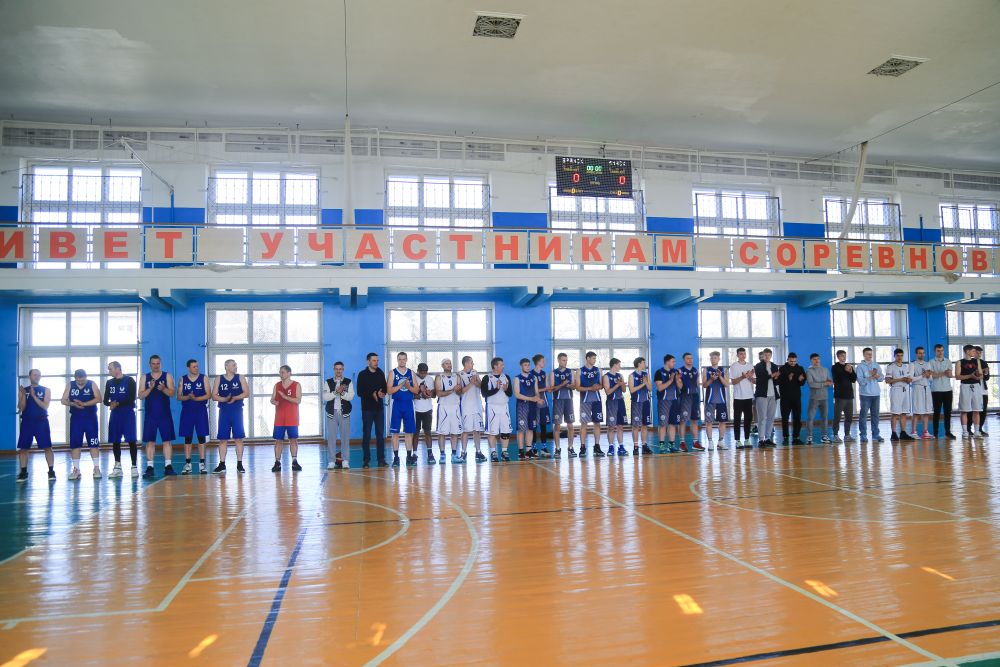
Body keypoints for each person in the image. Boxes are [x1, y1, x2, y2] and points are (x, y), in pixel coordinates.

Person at [139, 354, 176, 478]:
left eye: (158, 363)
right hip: (151, 415)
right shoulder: (144, 377)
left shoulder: (167, 376)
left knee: (167, 440)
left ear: (161, 364)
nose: (156, 366)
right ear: (149, 364)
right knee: (150, 441)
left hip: (164, 414)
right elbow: (141, 396)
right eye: (153, 363)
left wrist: (163, 388)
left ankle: (168, 466)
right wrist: (150, 388)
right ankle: (150, 467)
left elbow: (172, 393)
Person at [62, 369, 102, 480]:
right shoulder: (70, 385)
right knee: (75, 444)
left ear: (86, 377)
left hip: (90, 418)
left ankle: (96, 468)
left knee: (93, 443)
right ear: (75, 378)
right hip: (76, 418)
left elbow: (99, 399)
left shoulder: (92, 384)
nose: (80, 382)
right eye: (78, 380)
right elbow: (63, 400)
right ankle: (76, 470)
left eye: (82, 380)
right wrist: (72, 403)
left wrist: (84, 404)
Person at [16, 369, 53, 483]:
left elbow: (45, 406)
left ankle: (51, 471)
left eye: (39, 375)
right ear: (30, 376)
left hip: (41, 422)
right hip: (27, 422)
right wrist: (23, 396)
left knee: (47, 447)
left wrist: (33, 396)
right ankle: (23, 472)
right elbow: (21, 407)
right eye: (35, 375)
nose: (37, 377)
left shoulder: (46, 390)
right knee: (23, 448)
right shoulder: (23, 390)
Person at [212, 359, 248, 474]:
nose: (236, 366)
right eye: (233, 365)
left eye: (236, 365)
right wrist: (224, 399)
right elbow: (214, 396)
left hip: (237, 411)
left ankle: (239, 464)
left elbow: (246, 393)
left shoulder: (240, 377)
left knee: (238, 438)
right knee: (223, 439)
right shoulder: (219, 378)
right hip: (224, 412)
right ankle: (222, 464)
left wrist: (235, 398)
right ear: (226, 367)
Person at [104, 360, 140, 477]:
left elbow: (131, 398)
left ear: (117, 369)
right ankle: (117, 467)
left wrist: (117, 403)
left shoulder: (129, 380)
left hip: (128, 414)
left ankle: (134, 466)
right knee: (115, 441)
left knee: (131, 440)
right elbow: (105, 400)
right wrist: (111, 404)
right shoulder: (109, 383)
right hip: (115, 415)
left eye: (110, 369)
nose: (109, 371)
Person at [177, 359, 210, 474]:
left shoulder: (204, 378)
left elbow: (208, 395)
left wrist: (196, 398)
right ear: (188, 368)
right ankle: (188, 464)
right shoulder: (183, 379)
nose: (196, 368)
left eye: (197, 366)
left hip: (200, 410)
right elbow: (178, 396)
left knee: (201, 437)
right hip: (187, 411)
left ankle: (202, 464)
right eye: (194, 366)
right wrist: (188, 397)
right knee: (188, 438)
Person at [357, 352, 388, 468]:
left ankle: (381, 460)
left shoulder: (380, 372)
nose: (376, 362)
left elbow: (385, 388)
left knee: (380, 435)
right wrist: (372, 393)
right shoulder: (362, 374)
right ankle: (366, 460)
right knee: (367, 435)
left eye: (377, 360)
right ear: (368, 361)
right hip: (367, 410)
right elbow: (360, 392)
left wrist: (382, 393)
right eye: (374, 360)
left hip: (379, 409)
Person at [388, 352, 419, 466]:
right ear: (397, 360)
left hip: (408, 404)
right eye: (400, 359)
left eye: (403, 359)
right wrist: (401, 385)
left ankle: (409, 456)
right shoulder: (392, 373)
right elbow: (389, 391)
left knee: (409, 432)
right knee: (395, 433)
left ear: (406, 360)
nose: (402, 361)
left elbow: (416, 390)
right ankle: (396, 457)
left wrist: (408, 386)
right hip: (396, 404)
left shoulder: (411, 373)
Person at [271, 364, 302, 472]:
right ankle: (277, 462)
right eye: (280, 372)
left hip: (292, 418)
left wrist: (285, 397)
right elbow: (272, 398)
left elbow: (298, 400)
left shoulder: (296, 385)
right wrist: (273, 401)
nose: (281, 374)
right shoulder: (277, 385)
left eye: (283, 372)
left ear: (289, 373)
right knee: (278, 440)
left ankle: (294, 461)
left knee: (293, 439)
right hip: (279, 418)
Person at [322, 361, 353, 470]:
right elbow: (325, 397)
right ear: (334, 369)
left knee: (345, 438)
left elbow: (351, 396)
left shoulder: (348, 382)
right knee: (331, 438)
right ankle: (331, 461)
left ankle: (345, 461)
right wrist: (335, 392)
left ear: (343, 369)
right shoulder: (328, 382)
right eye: (336, 369)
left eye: (340, 369)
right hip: (332, 413)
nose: (338, 371)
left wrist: (342, 393)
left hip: (345, 413)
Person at [482, 357, 513, 461]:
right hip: (492, 407)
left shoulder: (506, 377)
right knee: (492, 431)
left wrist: (505, 389)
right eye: (501, 364)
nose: (503, 366)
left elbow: (510, 393)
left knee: (506, 431)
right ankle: (493, 452)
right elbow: (484, 394)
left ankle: (504, 452)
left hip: (504, 406)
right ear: (495, 366)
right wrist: (496, 389)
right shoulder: (487, 378)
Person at [435, 359, 465, 464]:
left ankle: (454, 455)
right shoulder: (439, 377)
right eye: (446, 363)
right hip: (443, 407)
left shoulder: (457, 376)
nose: (449, 365)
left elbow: (460, 392)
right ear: (442, 365)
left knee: (455, 432)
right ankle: (442, 455)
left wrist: (458, 390)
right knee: (442, 433)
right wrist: (453, 390)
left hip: (455, 406)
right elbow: (439, 393)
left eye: (450, 363)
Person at [576, 351, 605, 457]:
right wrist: (590, 388)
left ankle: (597, 446)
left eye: (595, 358)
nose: (594, 360)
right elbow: (577, 387)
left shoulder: (598, 370)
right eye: (593, 358)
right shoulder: (580, 371)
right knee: (584, 424)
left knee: (597, 423)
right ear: (587, 358)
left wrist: (598, 387)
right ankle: (582, 447)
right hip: (585, 400)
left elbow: (601, 385)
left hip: (597, 400)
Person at [458, 356, 486, 463]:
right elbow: (460, 391)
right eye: (471, 362)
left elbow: (481, 386)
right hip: (466, 407)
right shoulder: (459, 374)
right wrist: (471, 383)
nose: (473, 364)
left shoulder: (475, 372)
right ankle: (463, 452)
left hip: (477, 406)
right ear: (466, 363)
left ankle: (478, 452)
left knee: (477, 431)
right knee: (465, 431)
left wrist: (476, 382)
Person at [514, 358, 542, 459]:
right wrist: (531, 398)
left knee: (531, 428)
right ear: (521, 366)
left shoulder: (533, 377)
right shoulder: (517, 378)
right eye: (525, 365)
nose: (527, 367)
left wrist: (538, 398)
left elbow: (537, 392)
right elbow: (517, 394)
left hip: (533, 406)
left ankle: (529, 451)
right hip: (522, 406)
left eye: (528, 365)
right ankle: (521, 452)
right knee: (521, 429)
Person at [701, 351, 729, 450]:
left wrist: (720, 376)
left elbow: (726, 384)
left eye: (715, 358)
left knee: (722, 421)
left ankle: (720, 442)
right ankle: (710, 442)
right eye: (712, 358)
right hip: (710, 400)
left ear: (719, 359)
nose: (713, 359)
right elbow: (704, 385)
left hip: (721, 400)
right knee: (709, 422)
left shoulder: (723, 370)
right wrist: (712, 379)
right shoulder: (706, 370)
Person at [856, 347, 884, 443]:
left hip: (876, 394)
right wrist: (870, 376)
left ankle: (875, 435)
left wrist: (877, 376)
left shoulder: (876, 365)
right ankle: (863, 435)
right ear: (864, 355)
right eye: (868, 354)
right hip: (865, 394)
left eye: (871, 354)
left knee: (875, 415)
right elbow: (860, 381)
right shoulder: (860, 367)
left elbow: (882, 378)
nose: (870, 355)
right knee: (863, 415)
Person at [885, 348, 915, 441]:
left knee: (904, 413)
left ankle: (903, 432)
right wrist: (900, 379)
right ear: (894, 356)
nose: (900, 357)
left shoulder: (905, 366)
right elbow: (887, 380)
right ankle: (893, 433)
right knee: (895, 413)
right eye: (898, 356)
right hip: (896, 390)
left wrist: (908, 380)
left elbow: (907, 378)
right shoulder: (891, 366)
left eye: (901, 356)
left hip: (904, 389)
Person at [550, 353, 576, 457]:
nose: (565, 362)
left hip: (568, 400)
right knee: (557, 425)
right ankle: (557, 449)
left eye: (566, 360)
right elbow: (552, 389)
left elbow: (574, 386)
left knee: (570, 425)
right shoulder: (553, 373)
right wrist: (562, 384)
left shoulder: (570, 372)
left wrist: (570, 385)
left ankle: (570, 447)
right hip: (558, 401)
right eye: (563, 360)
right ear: (558, 360)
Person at [956, 344, 985, 439]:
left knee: (977, 410)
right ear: (967, 351)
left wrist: (978, 376)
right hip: (965, 386)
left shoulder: (977, 361)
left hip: (976, 386)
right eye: (973, 351)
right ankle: (965, 432)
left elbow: (981, 375)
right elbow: (957, 376)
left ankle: (977, 431)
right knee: (964, 410)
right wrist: (970, 376)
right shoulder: (959, 362)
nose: (974, 353)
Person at [729, 348, 755, 449]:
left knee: (748, 419)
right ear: (737, 355)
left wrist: (749, 377)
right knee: (737, 419)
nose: (743, 355)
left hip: (748, 396)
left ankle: (747, 439)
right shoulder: (734, 366)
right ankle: (737, 440)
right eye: (741, 354)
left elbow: (755, 381)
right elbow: (733, 382)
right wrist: (743, 377)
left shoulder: (750, 366)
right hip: (738, 397)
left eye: (744, 354)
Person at [778, 353, 807, 445]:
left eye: (794, 361)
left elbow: (802, 383)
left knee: (797, 417)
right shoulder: (782, 369)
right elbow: (779, 382)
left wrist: (801, 380)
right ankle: (785, 437)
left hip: (796, 397)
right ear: (787, 360)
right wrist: (788, 378)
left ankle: (796, 437)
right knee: (785, 418)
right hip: (785, 397)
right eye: (791, 361)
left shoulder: (800, 368)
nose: (793, 363)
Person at [753, 349, 780, 447]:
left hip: (773, 395)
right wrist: (772, 375)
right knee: (762, 418)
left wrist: (776, 377)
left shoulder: (774, 366)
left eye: (769, 355)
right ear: (763, 355)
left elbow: (776, 382)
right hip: (762, 395)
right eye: (766, 355)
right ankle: (761, 439)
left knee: (771, 417)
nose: (767, 356)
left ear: (771, 355)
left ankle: (768, 438)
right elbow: (761, 379)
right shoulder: (758, 366)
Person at [655, 354, 681, 453]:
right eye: (673, 361)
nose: (674, 363)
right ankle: (662, 446)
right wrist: (670, 380)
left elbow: (680, 387)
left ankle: (671, 445)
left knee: (672, 424)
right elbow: (660, 388)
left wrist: (677, 379)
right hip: (664, 401)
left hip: (674, 400)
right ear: (667, 362)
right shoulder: (659, 372)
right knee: (663, 424)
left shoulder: (676, 372)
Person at [678, 352, 704, 451]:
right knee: (683, 420)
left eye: (691, 358)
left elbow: (697, 384)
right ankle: (682, 443)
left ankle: (695, 442)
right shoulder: (680, 371)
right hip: (685, 397)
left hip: (695, 396)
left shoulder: (695, 370)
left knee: (694, 420)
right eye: (688, 358)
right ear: (684, 360)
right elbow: (679, 386)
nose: (690, 360)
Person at [805, 353, 833, 445]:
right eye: (814, 359)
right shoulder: (809, 371)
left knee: (824, 417)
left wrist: (828, 383)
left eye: (818, 359)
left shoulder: (825, 370)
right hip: (814, 398)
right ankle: (809, 437)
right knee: (810, 418)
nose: (816, 361)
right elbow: (811, 384)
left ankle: (824, 436)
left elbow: (830, 382)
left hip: (824, 397)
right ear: (811, 361)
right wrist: (824, 384)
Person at [413, 363, 438, 464]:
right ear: (418, 371)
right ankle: (414, 454)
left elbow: (434, 395)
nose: (423, 374)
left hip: (427, 409)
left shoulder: (430, 379)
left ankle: (430, 454)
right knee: (415, 433)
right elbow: (410, 394)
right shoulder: (413, 379)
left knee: (427, 432)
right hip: (415, 410)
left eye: (425, 373)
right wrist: (419, 395)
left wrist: (429, 394)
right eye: (421, 372)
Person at [928, 344, 954, 439]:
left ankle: (948, 432)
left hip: (948, 390)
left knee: (948, 412)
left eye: (942, 350)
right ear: (935, 351)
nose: (940, 352)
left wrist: (939, 374)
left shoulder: (948, 361)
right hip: (936, 390)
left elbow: (950, 375)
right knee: (937, 412)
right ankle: (935, 433)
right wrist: (943, 373)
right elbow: (931, 376)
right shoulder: (931, 362)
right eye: (938, 351)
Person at [831, 350, 857, 443]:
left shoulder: (849, 366)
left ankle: (847, 435)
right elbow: (837, 379)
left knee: (849, 417)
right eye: (842, 356)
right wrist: (845, 371)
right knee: (837, 417)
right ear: (838, 357)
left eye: (845, 356)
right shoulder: (835, 367)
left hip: (849, 395)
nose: (844, 357)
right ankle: (835, 435)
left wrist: (850, 371)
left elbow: (854, 379)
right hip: (840, 396)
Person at [603, 358, 628, 456]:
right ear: (614, 365)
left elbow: (624, 390)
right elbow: (608, 392)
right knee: (611, 426)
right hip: (611, 402)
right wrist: (617, 385)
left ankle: (621, 447)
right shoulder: (606, 376)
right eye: (619, 364)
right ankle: (611, 447)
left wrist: (622, 384)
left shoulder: (620, 376)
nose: (620, 366)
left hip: (620, 401)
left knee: (620, 426)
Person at [629, 356, 653, 455]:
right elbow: (632, 390)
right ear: (639, 363)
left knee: (644, 425)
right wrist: (643, 384)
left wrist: (646, 383)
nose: (645, 364)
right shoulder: (632, 375)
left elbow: (650, 389)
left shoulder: (646, 374)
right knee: (635, 426)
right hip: (636, 402)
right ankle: (635, 446)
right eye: (643, 362)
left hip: (646, 402)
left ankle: (644, 445)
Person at [910, 346, 934, 439]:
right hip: (917, 388)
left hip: (926, 388)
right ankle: (914, 432)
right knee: (917, 411)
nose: (922, 354)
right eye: (920, 353)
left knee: (926, 411)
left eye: (923, 353)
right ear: (916, 354)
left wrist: (928, 376)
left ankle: (925, 432)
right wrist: (922, 375)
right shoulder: (912, 364)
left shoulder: (928, 364)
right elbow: (911, 379)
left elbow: (930, 379)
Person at [531, 354, 552, 453]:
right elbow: (532, 390)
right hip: (534, 403)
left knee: (543, 425)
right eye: (543, 361)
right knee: (534, 426)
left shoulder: (544, 374)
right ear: (538, 362)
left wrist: (551, 388)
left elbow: (548, 387)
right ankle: (534, 447)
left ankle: (544, 447)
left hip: (544, 402)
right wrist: (544, 389)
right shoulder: (531, 374)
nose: (544, 363)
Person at [973, 346, 990, 436]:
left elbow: (987, 377)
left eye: (980, 353)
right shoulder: (970, 362)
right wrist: (981, 372)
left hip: (983, 389)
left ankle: (980, 429)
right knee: (973, 410)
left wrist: (985, 373)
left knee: (984, 410)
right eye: (977, 353)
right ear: (973, 353)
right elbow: (973, 375)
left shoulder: (984, 362)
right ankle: (969, 429)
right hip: (974, 389)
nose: (979, 354)